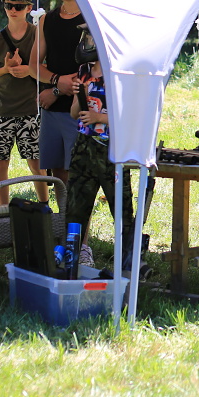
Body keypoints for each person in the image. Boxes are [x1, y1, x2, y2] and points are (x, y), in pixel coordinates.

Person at [66, 24, 136, 268]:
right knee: (75, 209)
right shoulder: (84, 70)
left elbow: (130, 115)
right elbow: (76, 113)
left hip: (112, 149)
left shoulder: (120, 72)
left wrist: (99, 119)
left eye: (91, 36)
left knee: (121, 210)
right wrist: (79, 94)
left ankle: (128, 262)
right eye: (86, 36)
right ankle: (73, 260)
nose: (86, 41)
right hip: (83, 148)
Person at [0, 0, 48, 207]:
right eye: (9, 5)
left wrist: (29, 69)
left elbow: (48, 69)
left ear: (29, 8)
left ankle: (44, 206)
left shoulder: (39, 36)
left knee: (36, 163)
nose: (13, 10)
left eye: (18, 6)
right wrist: (6, 69)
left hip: (31, 109)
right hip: (1, 110)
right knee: (0, 163)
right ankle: (2, 210)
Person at [34, 0, 84, 189]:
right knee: (57, 174)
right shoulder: (47, 20)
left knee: (79, 173)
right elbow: (33, 65)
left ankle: (78, 223)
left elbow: (96, 68)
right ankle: (62, 220)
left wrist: (55, 91)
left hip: (82, 108)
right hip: (51, 109)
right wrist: (56, 82)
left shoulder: (92, 19)